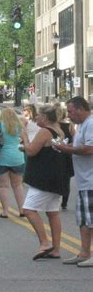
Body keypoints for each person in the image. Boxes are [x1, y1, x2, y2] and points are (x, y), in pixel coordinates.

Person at [21, 105, 68, 260]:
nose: (36, 118)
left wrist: (25, 138)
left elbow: (31, 151)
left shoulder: (45, 131)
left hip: (43, 179)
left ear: (45, 118)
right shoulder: (59, 131)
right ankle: (56, 249)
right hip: (56, 177)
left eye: (39, 115)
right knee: (52, 213)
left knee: (28, 209)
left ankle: (44, 242)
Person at [54, 97, 93, 267]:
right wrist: (67, 145)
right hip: (84, 180)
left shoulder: (91, 124)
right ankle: (84, 252)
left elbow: (90, 148)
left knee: (91, 219)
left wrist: (66, 149)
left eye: (70, 111)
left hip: (91, 180)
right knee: (84, 220)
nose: (68, 115)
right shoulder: (81, 125)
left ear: (80, 109)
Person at [0, 107, 25, 218]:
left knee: (3, 186)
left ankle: (5, 211)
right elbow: (24, 139)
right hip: (17, 157)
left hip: (2, 158)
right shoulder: (19, 125)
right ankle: (22, 210)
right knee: (18, 185)